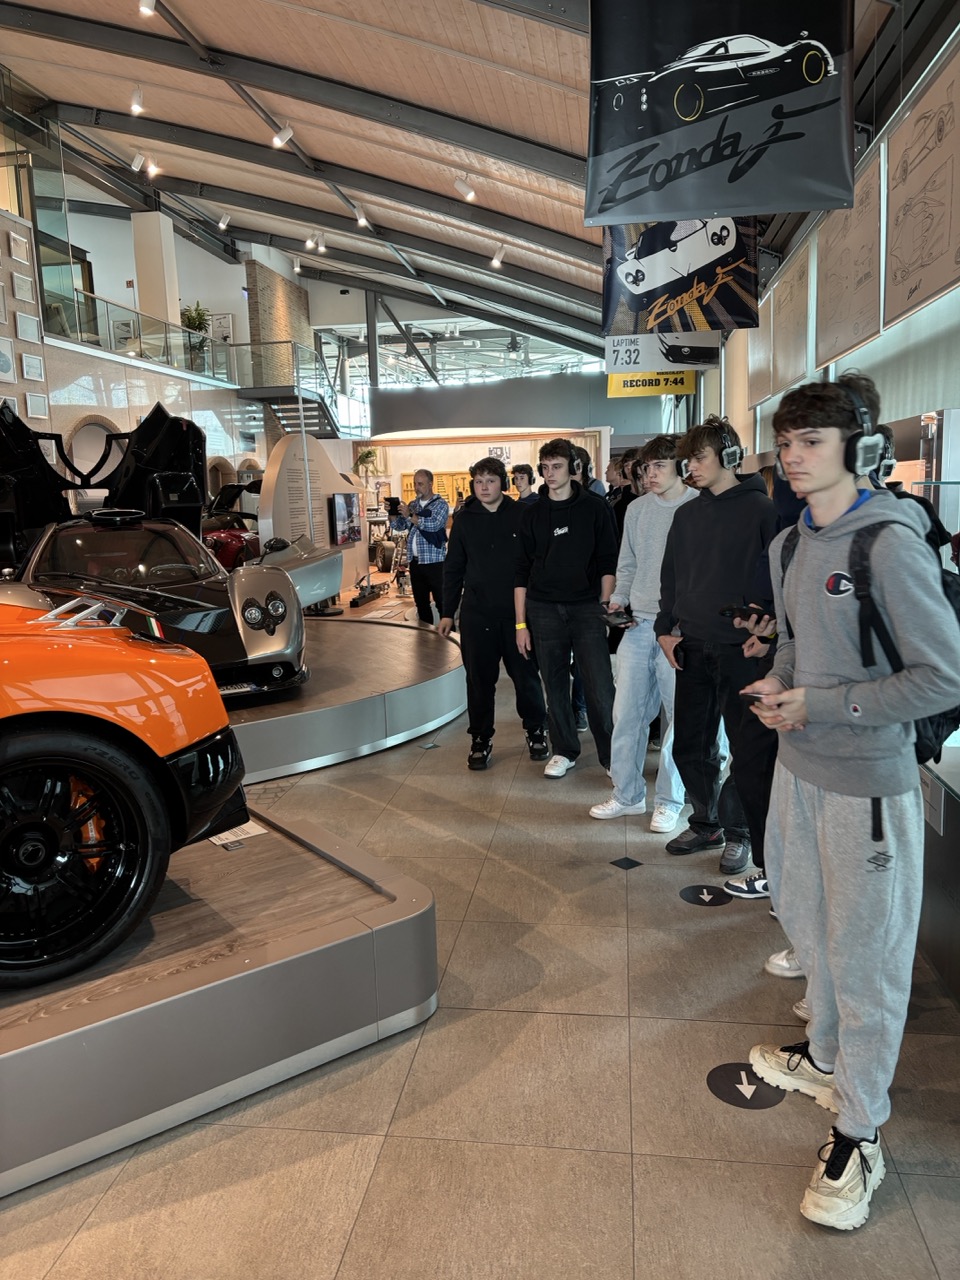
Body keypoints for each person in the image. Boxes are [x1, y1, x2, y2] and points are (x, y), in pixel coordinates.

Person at [744, 373, 960, 1230]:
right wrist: (779, 684)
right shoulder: (790, 544)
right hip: (797, 770)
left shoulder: (889, 544)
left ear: (859, 448)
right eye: (785, 444)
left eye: (811, 442)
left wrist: (826, 705)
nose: (793, 458)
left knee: (867, 956)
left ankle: (860, 1133)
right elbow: (796, 647)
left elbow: (943, 676)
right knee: (807, 922)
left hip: (868, 783)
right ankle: (828, 1056)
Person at [654, 416, 777, 875]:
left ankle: (739, 831)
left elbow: (778, 581)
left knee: (747, 750)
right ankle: (706, 823)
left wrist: (768, 632)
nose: (690, 467)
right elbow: (671, 578)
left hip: (743, 651)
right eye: (687, 459)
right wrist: (665, 629)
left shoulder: (763, 511)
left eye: (699, 457)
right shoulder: (686, 515)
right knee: (689, 745)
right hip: (692, 645)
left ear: (729, 456)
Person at [589, 435, 696, 831]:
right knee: (627, 714)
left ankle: (670, 800)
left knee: (677, 720)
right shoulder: (636, 509)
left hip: (679, 629)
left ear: (680, 467)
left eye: (659, 466)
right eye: (646, 468)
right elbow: (628, 562)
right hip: (637, 624)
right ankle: (628, 795)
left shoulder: (697, 507)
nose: (650, 475)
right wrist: (618, 600)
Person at [515, 438, 618, 777]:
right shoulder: (532, 514)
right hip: (543, 609)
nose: (550, 474)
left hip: (588, 607)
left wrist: (605, 606)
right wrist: (520, 624)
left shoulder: (595, 507)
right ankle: (564, 750)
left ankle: (611, 755)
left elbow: (608, 560)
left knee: (599, 686)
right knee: (554, 684)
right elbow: (521, 571)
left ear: (574, 468)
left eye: (557, 466)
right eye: (545, 467)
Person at [439, 457, 548, 770]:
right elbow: (453, 568)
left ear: (504, 483)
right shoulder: (464, 519)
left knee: (526, 677)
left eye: (490, 480)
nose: (484, 487)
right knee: (479, 681)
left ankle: (536, 729)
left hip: (517, 615)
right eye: (478, 481)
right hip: (477, 614)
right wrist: (447, 611)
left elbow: (536, 563)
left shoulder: (522, 514)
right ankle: (480, 738)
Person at [388, 468, 449, 624]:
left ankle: (449, 636)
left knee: (443, 604)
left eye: (420, 484)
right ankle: (426, 635)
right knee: (421, 604)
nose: (416, 487)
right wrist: (393, 513)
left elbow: (433, 525)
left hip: (435, 563)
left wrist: (409, 515)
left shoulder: (440, 504)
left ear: (430, 484)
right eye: (415, 484)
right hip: (415, 562)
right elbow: (400, 526)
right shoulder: (413, 505)